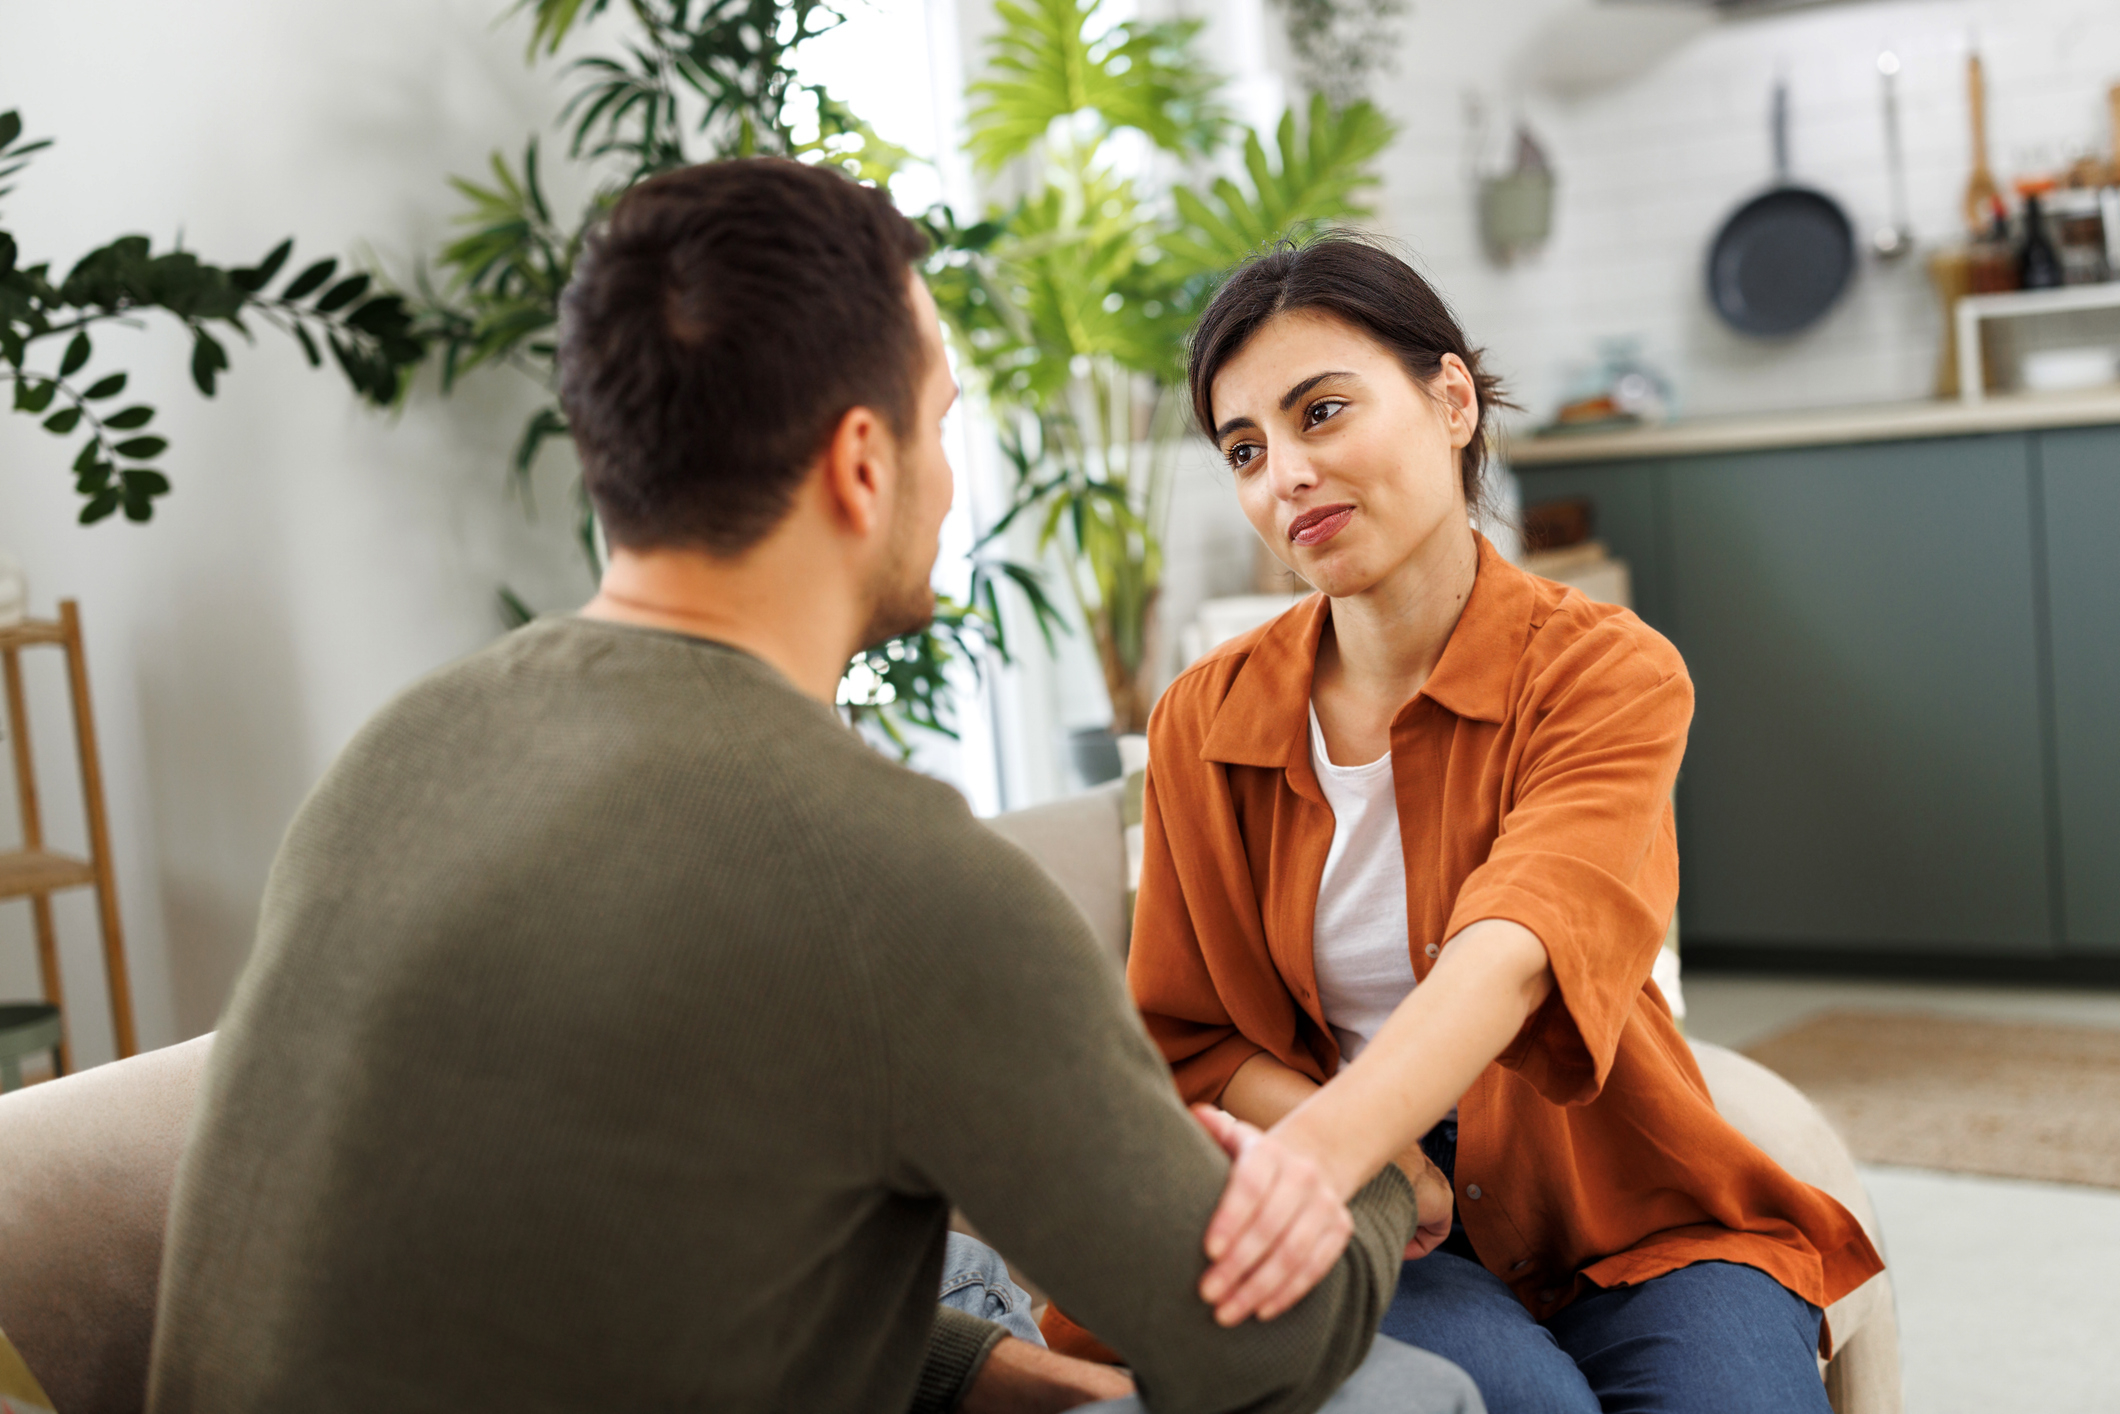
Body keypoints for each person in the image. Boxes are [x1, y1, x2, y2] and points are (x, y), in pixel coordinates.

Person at [144, 161, 1484, 1414]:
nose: (951, 477)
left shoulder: (401, 752)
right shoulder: (885, 872)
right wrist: (1361, 1165)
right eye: (943, 426)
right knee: (1426, 1396)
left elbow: (623, 1251)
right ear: (862, 463)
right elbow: (1255, 1346)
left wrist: (999, 1372)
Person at [1060, 237, 1886, 1413]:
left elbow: (1513, 947)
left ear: (1451, 400)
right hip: (1375, 1210)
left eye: (1321, 411)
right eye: (1244, 449)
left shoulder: (1606, 671)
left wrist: (1316, 1156)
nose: (1283, 474)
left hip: (1615, 1190)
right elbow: (1188, 1036)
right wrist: (1369, 1157)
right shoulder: (1204, 717)